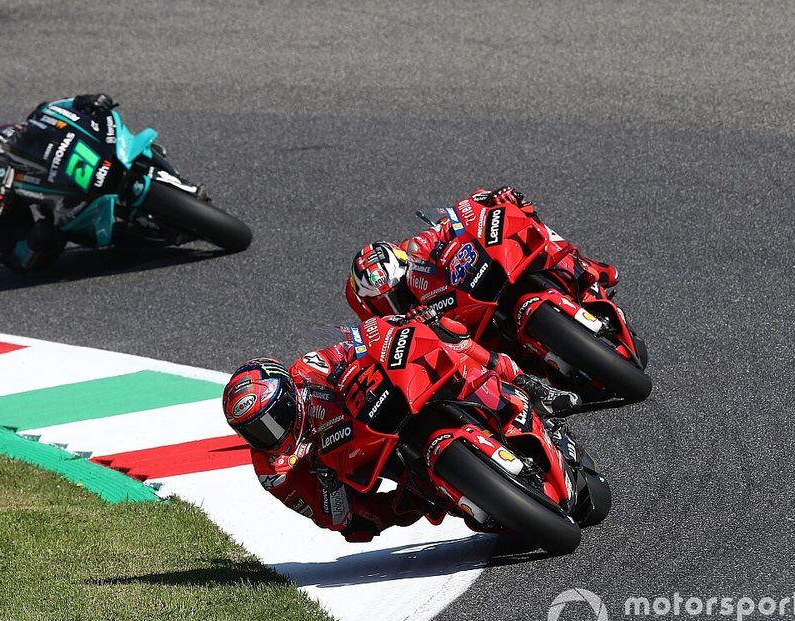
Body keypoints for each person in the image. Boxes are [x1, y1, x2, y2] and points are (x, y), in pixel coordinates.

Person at [221, 307, 581, 543]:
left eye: (271, 419)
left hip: (386, 403)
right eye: (256, 431)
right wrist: (334, 491)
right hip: (370, 459)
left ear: (287, 396)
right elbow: (331, 516)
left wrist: (393, 328)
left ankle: (527, 387)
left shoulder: (305, 372)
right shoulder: (273, 468)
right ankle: (450, 493)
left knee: (444, 334)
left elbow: (354, 346)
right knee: (366, 521)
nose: (271, 434)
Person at [0, 93, 196, 271]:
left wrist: (81, 103)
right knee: (54, 240)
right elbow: (3, 254)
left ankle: (175, 180)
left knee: (121, 144)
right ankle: (129, 237)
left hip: (44, 173)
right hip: (28, 214)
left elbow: (42, 118)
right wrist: (32, 245)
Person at [345, 186, 620, 319]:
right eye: (386, 298)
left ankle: (585, 266)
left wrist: (488, 199)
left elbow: (453, 221)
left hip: (465, 288)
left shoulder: (415, 248)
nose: (394, 299)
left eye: (393, 292)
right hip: (455, 326)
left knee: (519, 214)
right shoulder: (378, 314)